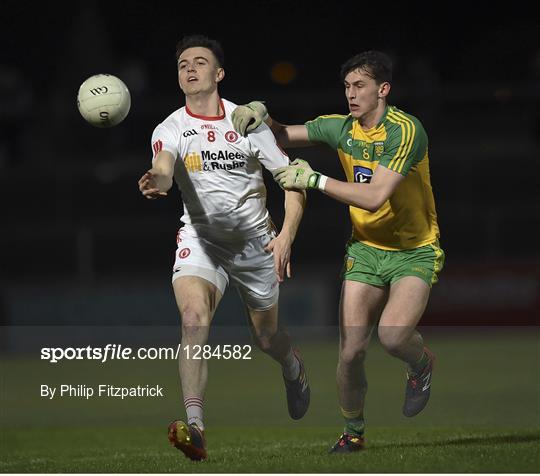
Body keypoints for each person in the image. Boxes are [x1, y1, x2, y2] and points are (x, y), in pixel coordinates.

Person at [232, 50, 444, 454]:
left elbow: (375, 197)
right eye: (347, 86)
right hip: (365, 250)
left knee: (394, 337)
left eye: (360, 85)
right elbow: (282, 135)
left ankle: (421, 365)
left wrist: (314, 179)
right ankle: (353, 433)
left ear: (383, 89)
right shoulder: (341, 128)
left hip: (415, 250)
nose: (351, 93)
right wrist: (263, 115)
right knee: (350, 351)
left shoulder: (405, 130)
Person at [138, 34, 310, 461]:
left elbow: (293, 182)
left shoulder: (247, 122)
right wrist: (157, 183)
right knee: (193, 319)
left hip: (256, 243)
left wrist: (286, 235)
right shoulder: (170, 127)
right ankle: (195, 428)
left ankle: (292, 367)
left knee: (267, 338)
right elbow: (162, 168)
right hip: (201, 239)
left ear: (219, 73)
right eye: (182, 64)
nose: (190, 68)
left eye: (200, 61)